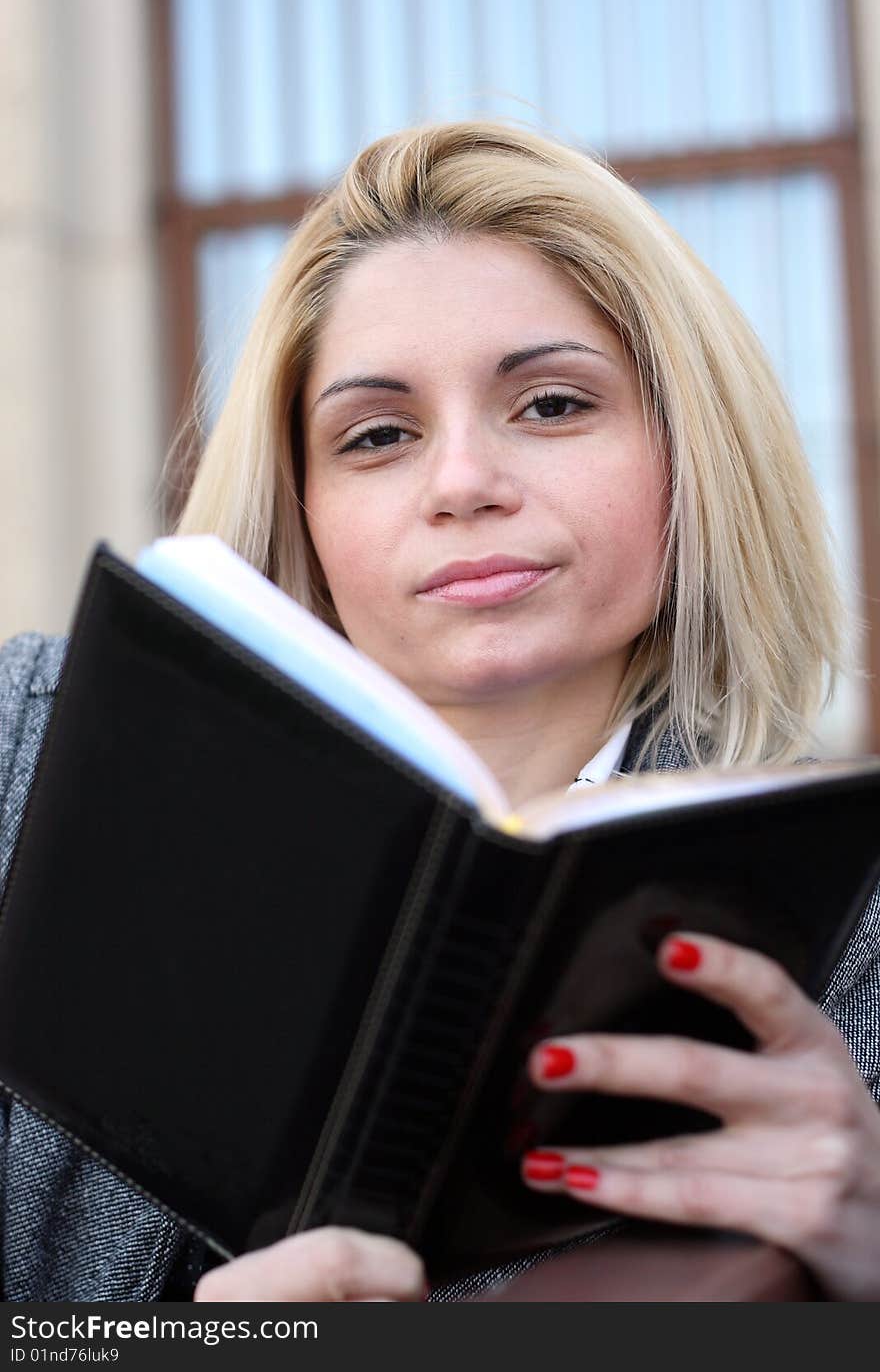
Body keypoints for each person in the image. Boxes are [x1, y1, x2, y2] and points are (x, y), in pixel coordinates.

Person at [1, 120, 878, 1302]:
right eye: (378, 435)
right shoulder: (26, 752)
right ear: (299, 501)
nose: (463, 482)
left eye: (554, 404)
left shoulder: (858, 934)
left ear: (689, 449)